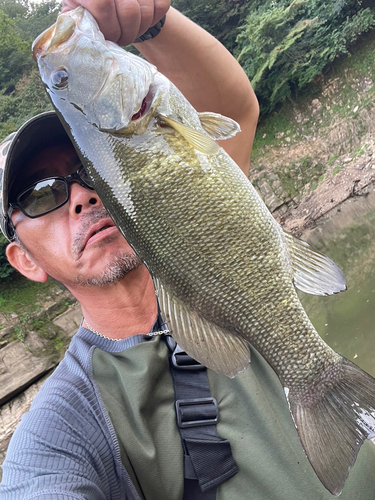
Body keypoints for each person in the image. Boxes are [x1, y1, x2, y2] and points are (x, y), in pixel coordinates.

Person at [0, 1, 374, 499]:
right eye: (42, 194)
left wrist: (150, 18)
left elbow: (237, 109)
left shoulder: (204, 219)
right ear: (23, 259)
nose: (82, 195)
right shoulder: (66, 424)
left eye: (89, 173)